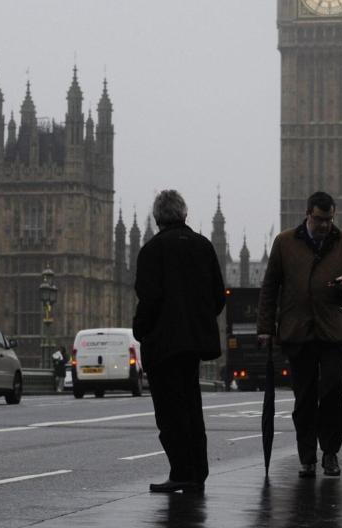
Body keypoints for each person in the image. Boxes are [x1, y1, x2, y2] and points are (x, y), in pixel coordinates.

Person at [257, 191, 342, 479]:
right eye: (320, 220)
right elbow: (270, 287)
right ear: (308, 214)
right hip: (299, 331)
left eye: (329, 220)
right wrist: (266, 328)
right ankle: (307, 457)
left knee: (332, 391)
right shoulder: (285, 242)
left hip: (334, 331)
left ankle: (330, 452)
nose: (324, 225)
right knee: (304, 397)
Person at [132, 189, 226, 494]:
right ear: (184, 214)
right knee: (191, 406)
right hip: (193, 345)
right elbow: (218, 296)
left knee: (170, 412)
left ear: (158, 218)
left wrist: (140, 329)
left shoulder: (152, 250)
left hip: (163, 344)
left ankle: (182, 472)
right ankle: (197, 471)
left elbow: (148, 299)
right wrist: (199, 320)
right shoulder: (203, 246)